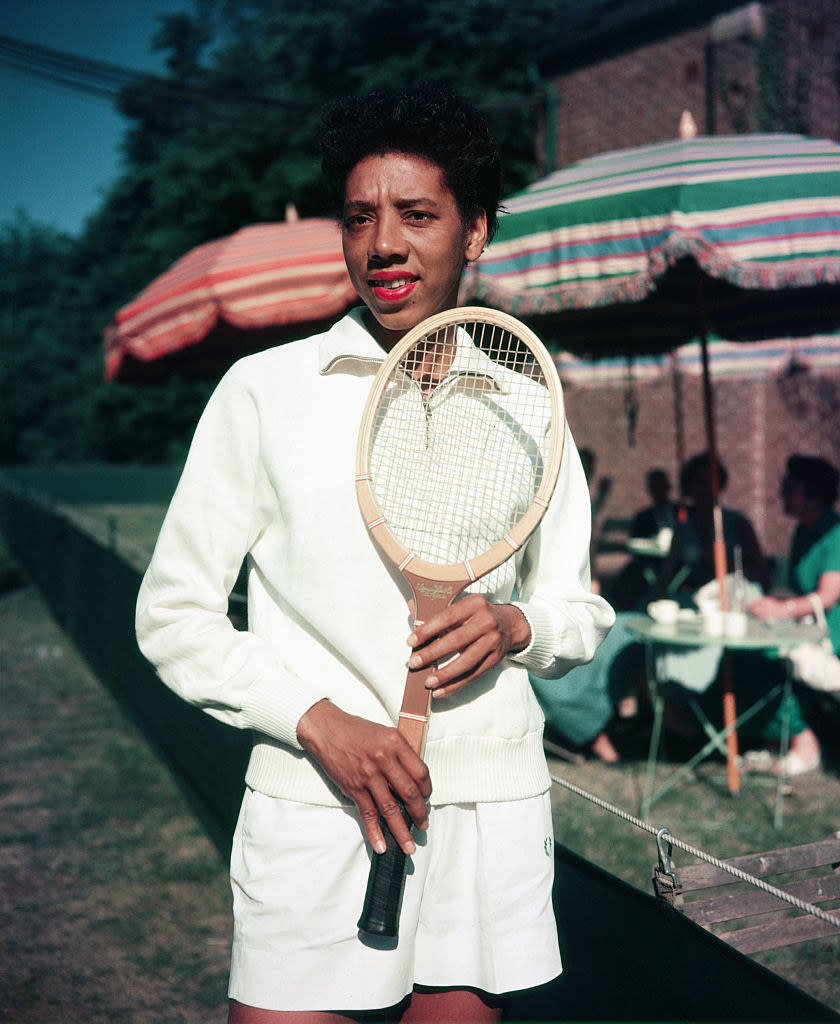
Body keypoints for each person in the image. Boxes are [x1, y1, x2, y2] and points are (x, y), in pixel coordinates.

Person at [135, 83, 614, 1023]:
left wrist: (518, 625)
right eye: (360, 217)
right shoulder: (265, 391)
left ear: (474, 232)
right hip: (313, 807)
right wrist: (315, 720)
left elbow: (579, 609)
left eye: (418, 214)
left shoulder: (528, 404)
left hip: (487, 813)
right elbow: (172, 615)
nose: (383, 243)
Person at [748, 454, 840, 773]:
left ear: (813, 495)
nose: (782, 493)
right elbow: (798, 592)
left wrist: (780, 608)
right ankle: (777, 737)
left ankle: (804, 741)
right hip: (804, 632)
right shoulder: (802, 531)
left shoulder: (835, 534)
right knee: (746, 654)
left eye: (790, 487)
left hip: (830, 641)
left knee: (767, 657)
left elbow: (828, 596)